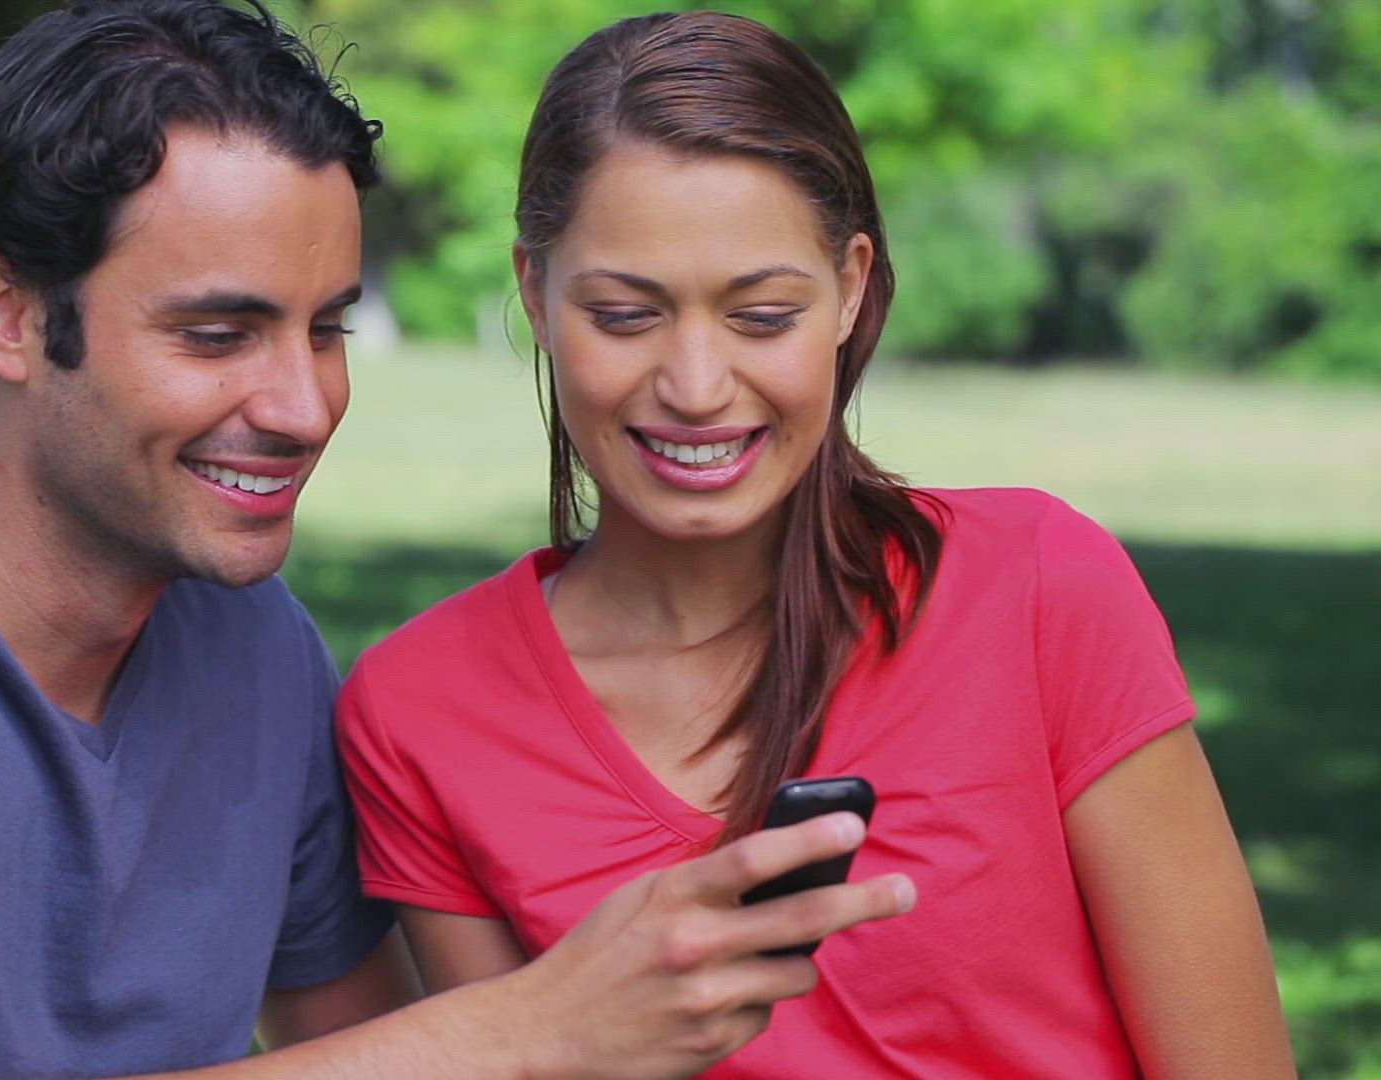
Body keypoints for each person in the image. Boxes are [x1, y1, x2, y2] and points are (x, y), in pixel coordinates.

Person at [0, 2, 911, 1077]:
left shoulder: (253, 648)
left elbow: (368, 1052)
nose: (303, 406)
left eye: (325, 328)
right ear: (4, 314)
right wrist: (528, 1027)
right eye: (217, 333)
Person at [336, 11, 1296, 1079]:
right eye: (624, 315)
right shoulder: (419, 710)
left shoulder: (1038, 587)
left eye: (761, 316)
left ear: (849, 287)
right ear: (535, 291)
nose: (696, 387)